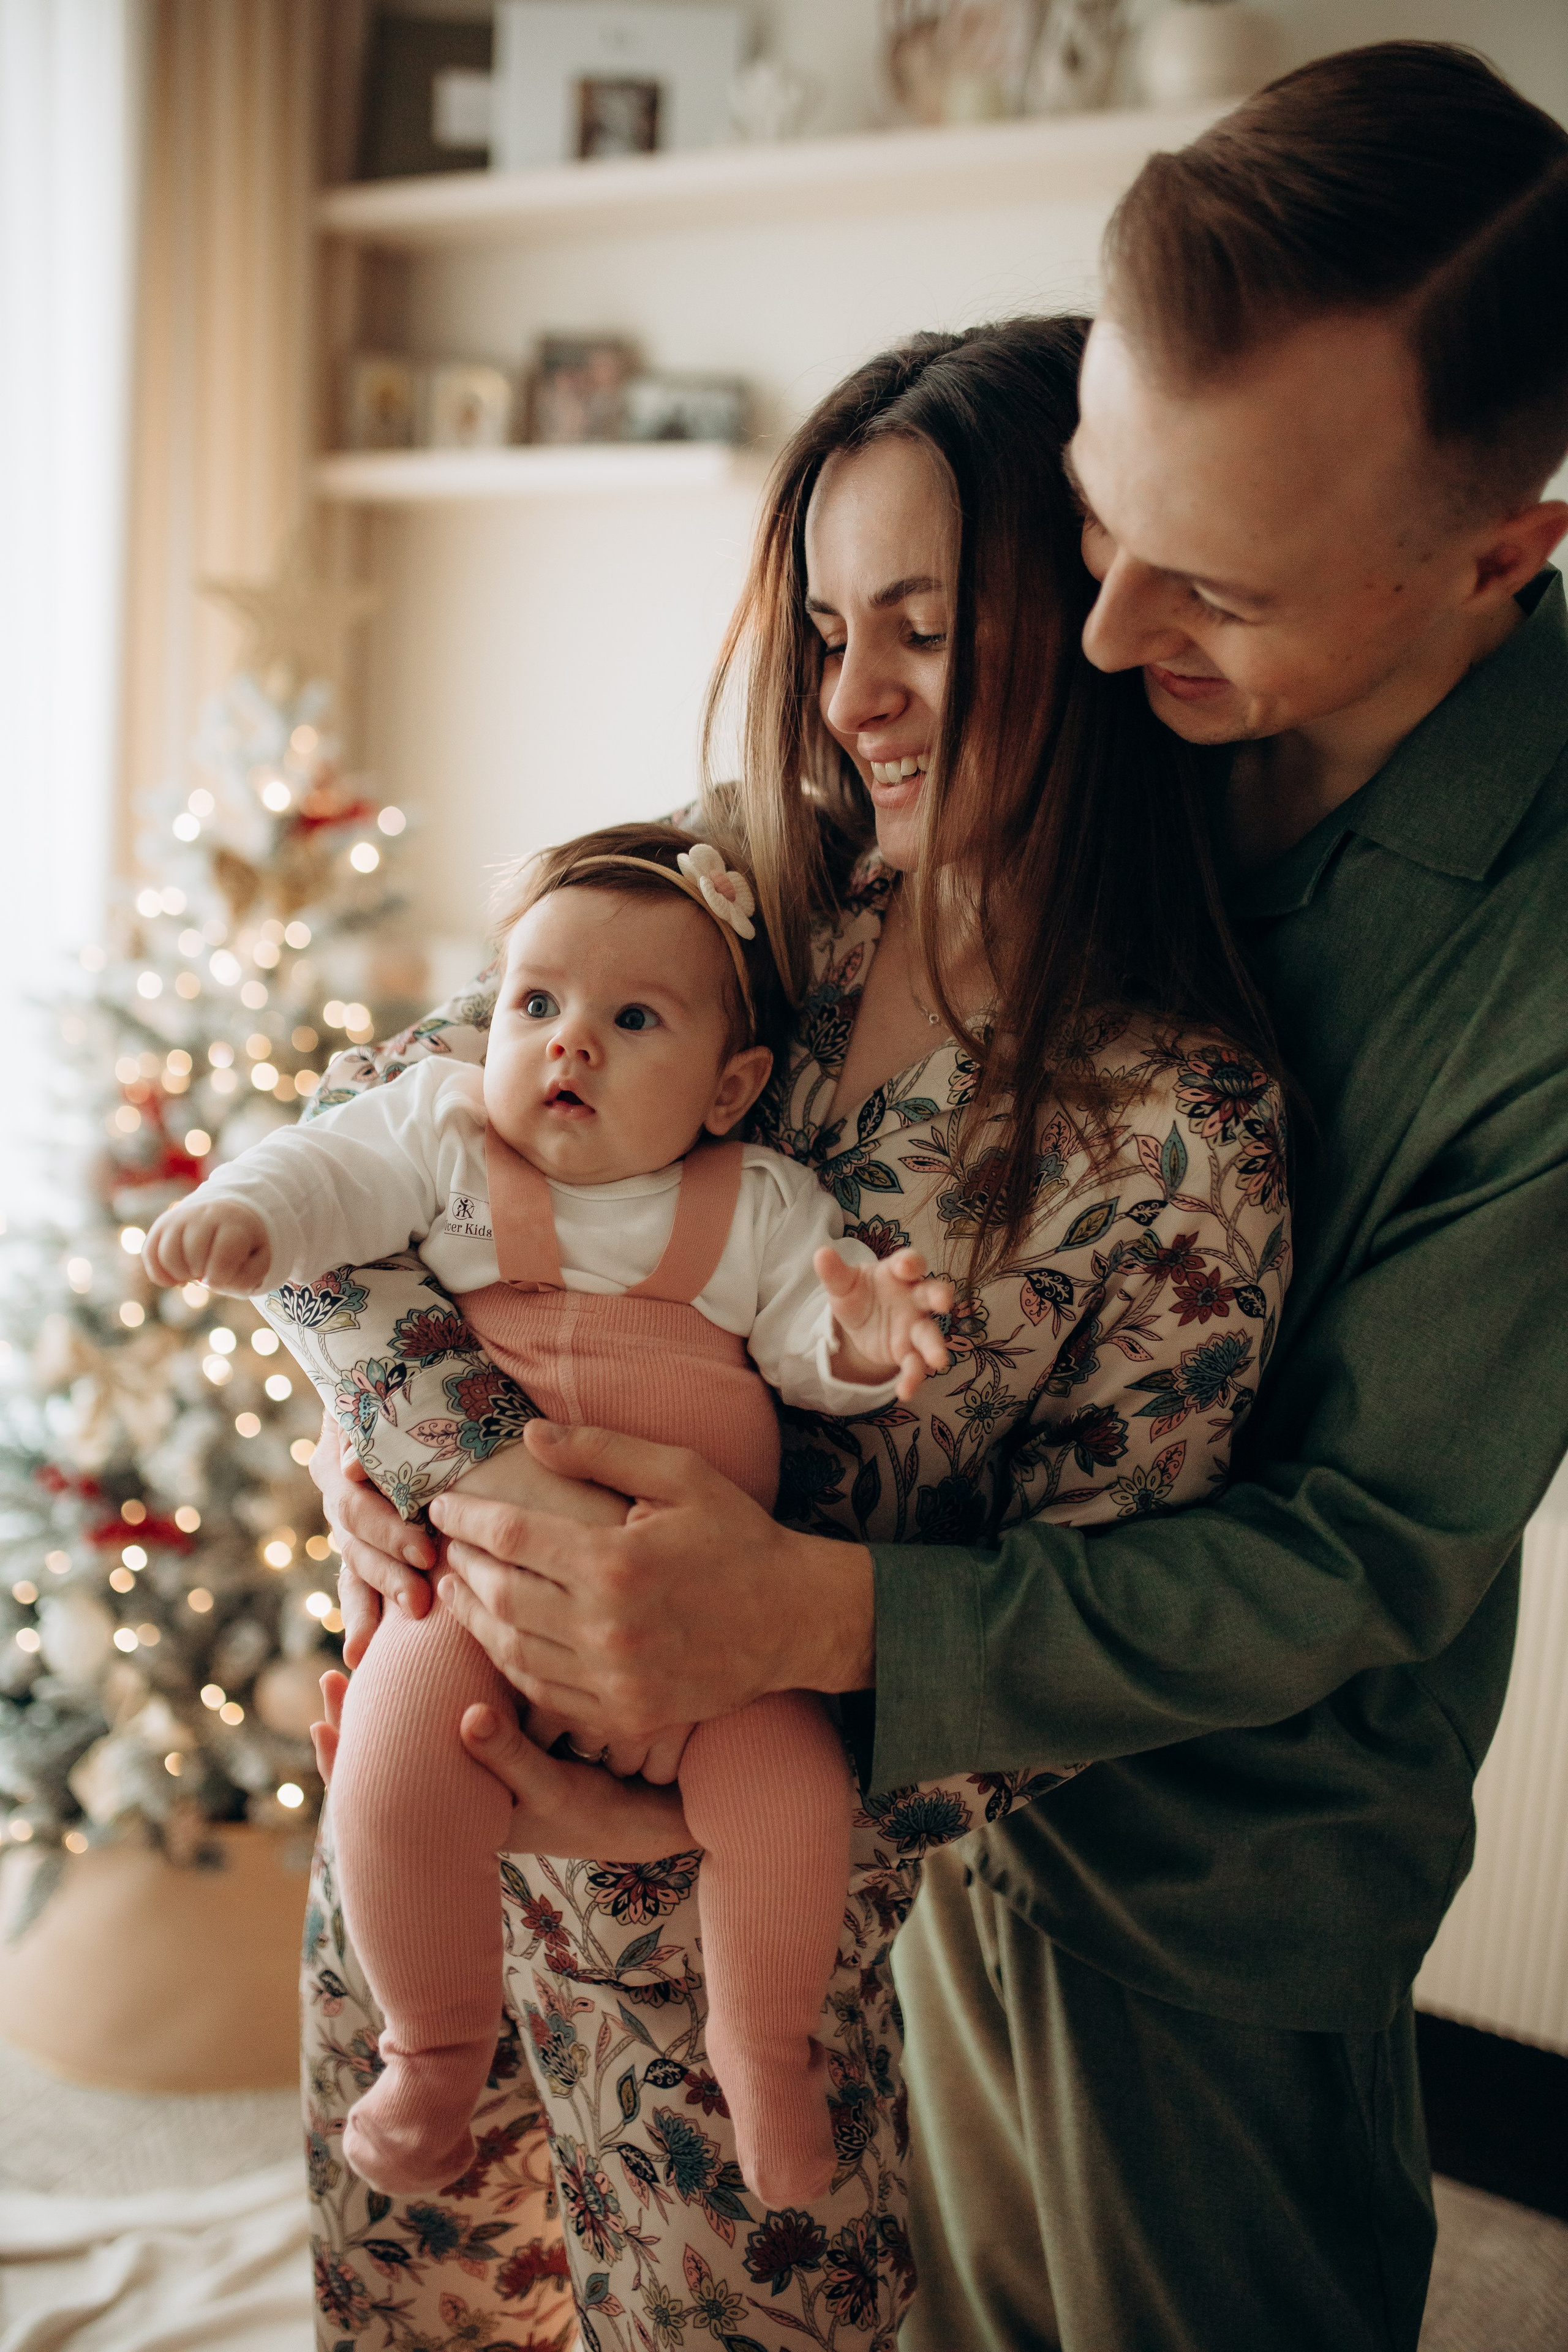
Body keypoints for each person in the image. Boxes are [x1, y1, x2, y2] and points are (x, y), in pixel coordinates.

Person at [312, 42, 1568, 2350]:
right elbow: (458, 1115)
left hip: (1183, 1868)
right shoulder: (858, 847)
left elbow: (1360, 1544)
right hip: (708, 1822)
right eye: (1093, 531)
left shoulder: (1455, 984)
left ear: (1498, 556)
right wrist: (407, 1434)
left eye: (1207, 585)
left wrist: (763, 1681)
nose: (1098, 640)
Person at [283, 315, 1288, 2345]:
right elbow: (354, 1182)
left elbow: (1097, 1619)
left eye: (921, 625)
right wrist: (392, 1446)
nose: (860, 701)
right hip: (437, 1850)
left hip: (761, 1968)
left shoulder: (1179, 1131)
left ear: (1094, 612)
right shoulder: (717, 907)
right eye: (829, 630)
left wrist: (677, 1799)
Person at [146, 820, 957, 2207]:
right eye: (536, 1004)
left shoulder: (759, 1202)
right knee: (394, 1757)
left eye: (630, 1019)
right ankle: (432, 2053)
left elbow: (804, 1348)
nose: (564, 1044)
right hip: (473, 1591)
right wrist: (243, 1215)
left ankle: (764, 2049)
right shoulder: (445, 1132)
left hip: (704, 1619)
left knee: (788, 1787)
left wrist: (871, 1338)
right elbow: (324, 1177)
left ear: (730, 1086)